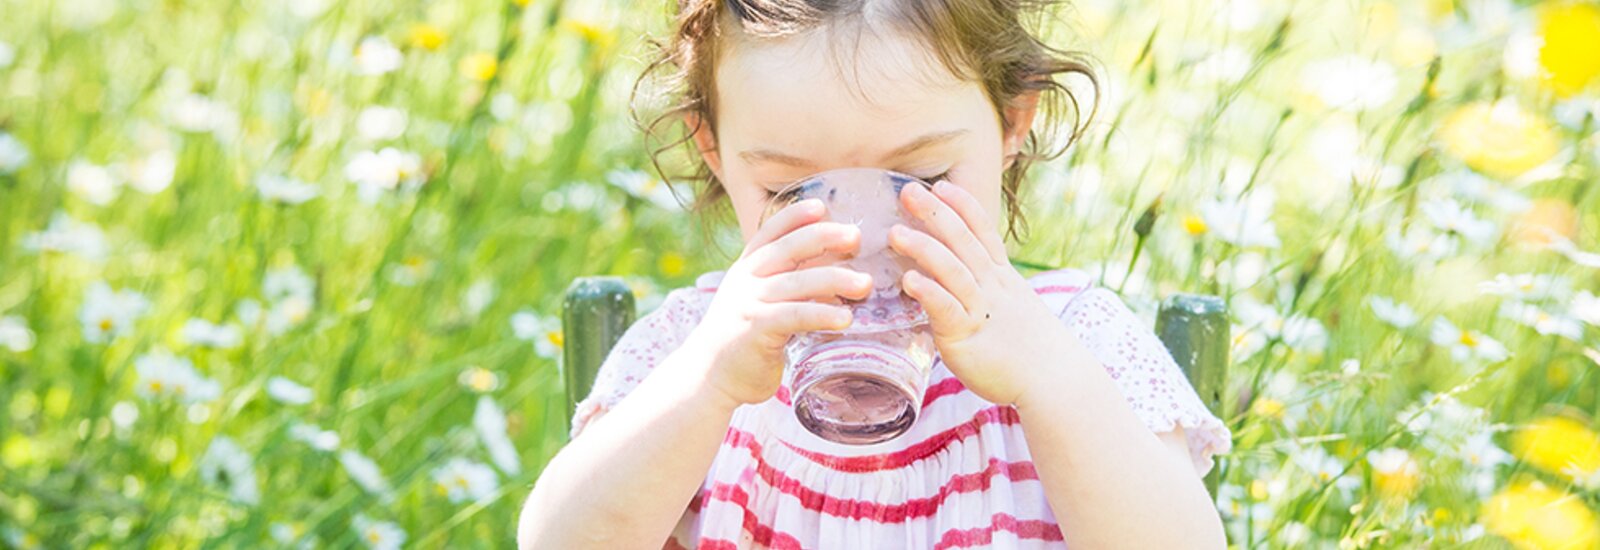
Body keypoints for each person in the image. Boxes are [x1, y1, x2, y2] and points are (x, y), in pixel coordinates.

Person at [519, 0, 1232, 547]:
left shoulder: (1075, 339)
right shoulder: (694, 347)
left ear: (1013, 122)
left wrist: (1047, 377)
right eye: (789, 191)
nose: (860, 236)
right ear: (714, 149)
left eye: (918, 177)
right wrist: (705, 382)